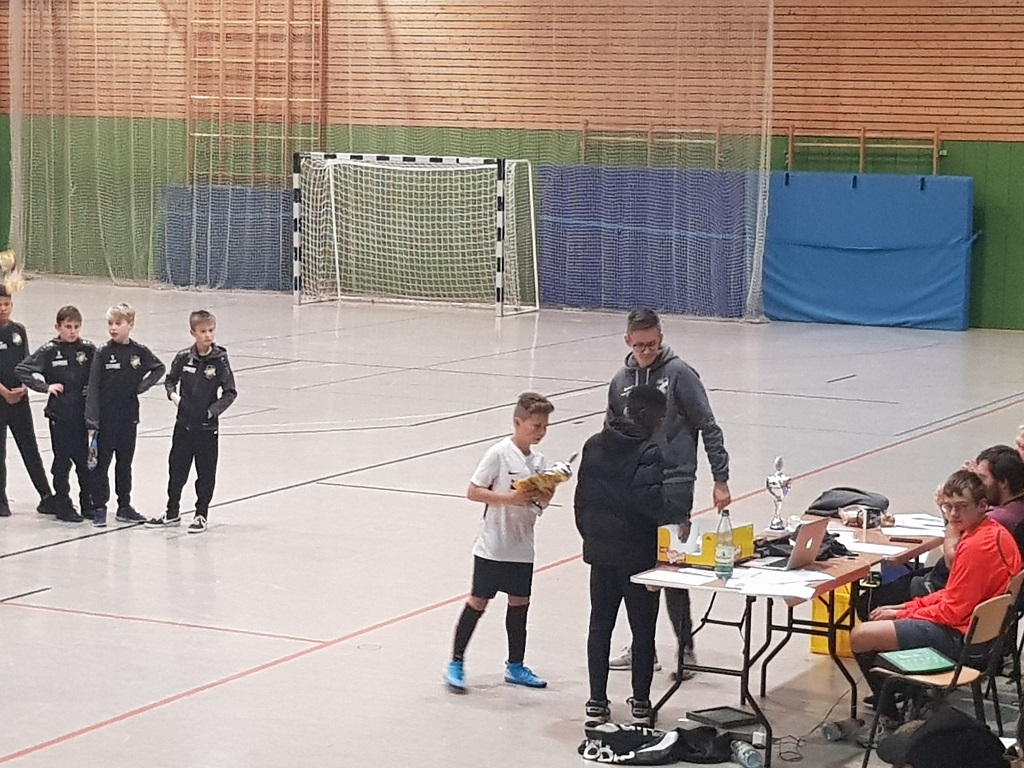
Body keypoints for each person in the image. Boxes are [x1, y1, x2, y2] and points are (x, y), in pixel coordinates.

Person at [605, 309, 731, 678]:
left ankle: (686, 648)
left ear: (661, 338)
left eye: (653, 344)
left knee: (672, 566)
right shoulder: (619, 381)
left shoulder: (680, 374)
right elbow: (611, 431)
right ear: (628, 341)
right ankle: (642, 646)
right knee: (639, 567)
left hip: (674, 482)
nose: (647, 350)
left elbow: (708, 425)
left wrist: (720, 478)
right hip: (633, 486)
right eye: (640, 345)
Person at [849, 469, 1021, 729]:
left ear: (982, 506)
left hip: (964, 644)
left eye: (961, 507)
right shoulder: (995, 533)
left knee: (861, 636)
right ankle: (909, 696)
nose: (953, 514)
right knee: (890, 613)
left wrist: (902, 614)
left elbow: (951, 611)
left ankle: (893, 715)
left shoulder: (975, 546)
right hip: (981, 638)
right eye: (948, 507)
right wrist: (906, 606)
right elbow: (953, 594)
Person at [443, 392, 557, 693]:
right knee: (478, 601)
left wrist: (546, 494)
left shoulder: (539, 461)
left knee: (520, 604)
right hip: (493, 546)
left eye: (545, 427)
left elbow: (539, 505)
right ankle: (456, 662)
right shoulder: (499, 454)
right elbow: (473, 491)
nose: (541, 432)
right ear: (518, 423)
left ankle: (515, 665)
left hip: (522, 547)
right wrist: (510, 498)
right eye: (536, 426)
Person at [576, 384, 671, 724]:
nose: (661, 422)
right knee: (643, 629)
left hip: (600, 554)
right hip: (638, 557)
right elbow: (649, 504)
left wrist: (592, 538)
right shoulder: (648, 451)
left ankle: (596, 700)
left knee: (600, 625)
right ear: (644, 414)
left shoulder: (593, 445)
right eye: (659, 416)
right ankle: (641, 701)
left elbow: (581, 501)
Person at [145, 310, 236, 534]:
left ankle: (201, 514)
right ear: (193, 332)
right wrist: (173, 396)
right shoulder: (183, 357)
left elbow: (230, 392)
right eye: (203, 331)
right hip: (183, 425)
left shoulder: (219, 360)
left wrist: (212, 412)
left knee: (205, 473)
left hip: (207, 429)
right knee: (177, 470)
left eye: (211, 330)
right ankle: (172, 511)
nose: (208, 335)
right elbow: (170, 380)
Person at [84, 302, 165, 527]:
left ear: (130, 324)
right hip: (105, 420)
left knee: (124, 463)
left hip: (128, 418)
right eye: (110, 323)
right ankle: (100, 507)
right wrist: (92, 420)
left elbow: (158, 368)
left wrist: (142, 386)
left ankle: (124, 506)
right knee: (101, 465)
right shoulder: (103, 352)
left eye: (118, 323)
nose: (113, 328)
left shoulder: (139, 352)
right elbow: (93, 386)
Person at [15, 305, 96, 522]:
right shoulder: (50, 350)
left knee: (84, 462)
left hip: (81, 416)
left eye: (76, 327)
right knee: (62, 462)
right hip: (60, 416)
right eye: (68, 327)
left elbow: (99, 372)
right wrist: (45, 387)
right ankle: (63, 504)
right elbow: (22, 370)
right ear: (58, 327)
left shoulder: (88, 349)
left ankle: (87, 502)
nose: (72, 331)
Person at [0, 287, 60, 518]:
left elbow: (26, 363)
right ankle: (1, 500)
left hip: (19, 399)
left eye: (7, 304)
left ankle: (46, 496)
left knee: (29, 447)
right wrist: (4, 392)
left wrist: (26, 386)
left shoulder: (18, 331)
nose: (3, 309)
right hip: (1, 398)